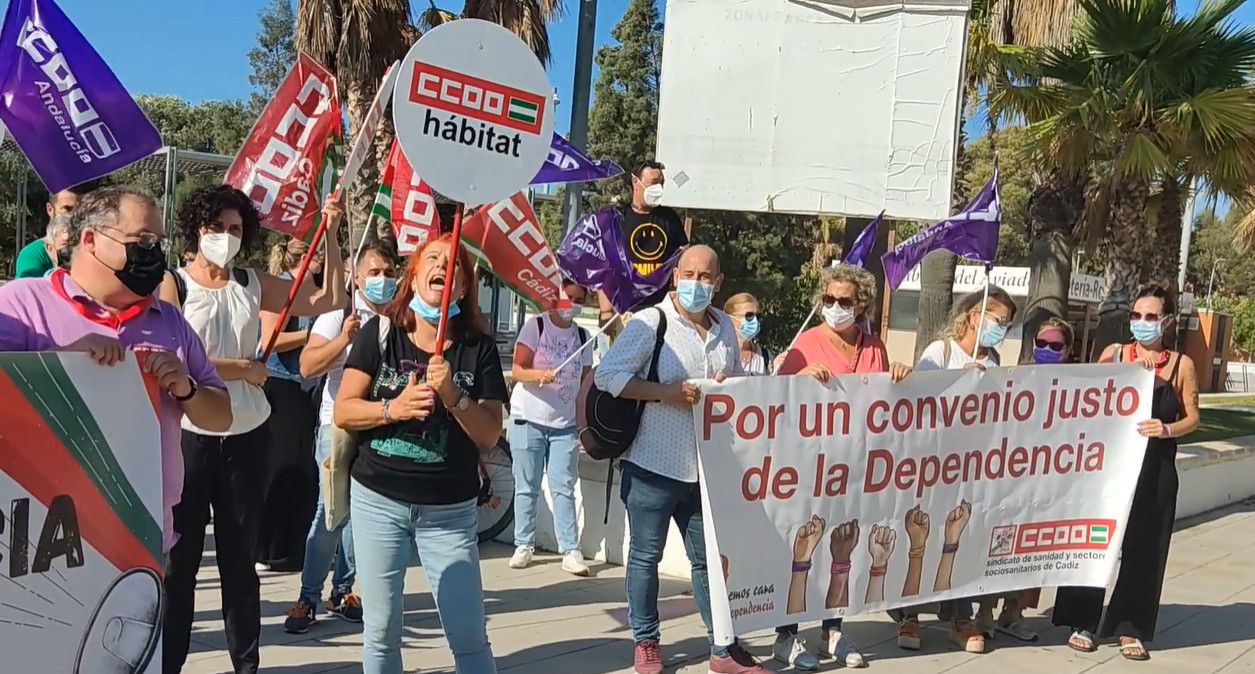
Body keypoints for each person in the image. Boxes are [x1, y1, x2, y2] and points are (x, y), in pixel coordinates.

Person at [159, 185, 347, 674]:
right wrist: (242, 368)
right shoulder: (173, 284)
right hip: (190, 435)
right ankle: (169, 663)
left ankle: (247, 665)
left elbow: (330, 297)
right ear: (196, 231)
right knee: (180, 566)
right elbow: (175, 360)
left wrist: (331, 232)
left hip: (248, 436)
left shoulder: (252, 282)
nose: (225, 236)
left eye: (235, 229)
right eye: (215, 227)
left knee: (239, 563)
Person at [0, 186, 232, 554]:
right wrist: (61, 362)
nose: (152, 253)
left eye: (157, 242)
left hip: (144, 540)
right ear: (90, 239)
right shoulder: (21, 305)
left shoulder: (168, 320)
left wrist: (186, 388)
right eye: (141, 239)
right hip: (37, 548)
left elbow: (221, 416)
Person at [335, 234, 505, 674]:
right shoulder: (381, 332)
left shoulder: (478, 348)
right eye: (433, 259)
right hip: (378, 502)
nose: (443, 269)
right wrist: (393, 408)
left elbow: (489, 434)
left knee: (468, 635)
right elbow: (344, 410)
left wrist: (453, 395)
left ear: (464, 287)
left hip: (449, 513)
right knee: (382, 631)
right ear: (413, 276)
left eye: (455, 266)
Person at [595, 245, 768, 674]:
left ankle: (722, 648)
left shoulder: (726, 327)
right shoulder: (651, 322)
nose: (696, 282)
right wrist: (666, 393)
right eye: (688, 273)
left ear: (719, 282)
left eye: (705, 276)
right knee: (644, 557)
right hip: (654, 463)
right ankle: (646, 640)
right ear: (674, 277)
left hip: (707, 468)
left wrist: (727, 386)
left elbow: (740, 384)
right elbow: (607, 375)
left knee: (709, 562)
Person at [772, 265, 912, 670]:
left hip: (856, 468)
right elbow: (774, 399)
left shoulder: (874, 347)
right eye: (828, 300)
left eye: (843, 301)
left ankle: (832, 631)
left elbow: (885, 399)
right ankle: (787, 635)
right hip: (808, 466)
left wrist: (900, 375)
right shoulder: (808, 342)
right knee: (802, 546)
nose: (834, 307)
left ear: (862, 304)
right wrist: (798, 376)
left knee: (843, 547)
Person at [1052, 285, 1200, 662]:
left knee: (1145, 547)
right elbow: (1091, 396)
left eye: (1150, 316)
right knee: (1097, 538)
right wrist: (1128, 371)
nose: (1142, 322)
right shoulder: (1114, 354)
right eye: (1136, 315)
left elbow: (1193, 417)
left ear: (1166, 321)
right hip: (1110, 466)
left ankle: (1129, 627)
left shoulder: (1181, 364)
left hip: (1155, 467)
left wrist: (1166, 429)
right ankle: (1081, 620)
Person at [893, 285, 1020, 656]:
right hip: (932, 464)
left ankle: (961, 620)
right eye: (999, 320)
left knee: (965, 538)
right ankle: (910, 613)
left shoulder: (995, 360)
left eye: (1008, 324)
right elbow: (920, 401)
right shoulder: (941, 352)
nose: (1003, 328)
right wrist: (960, 380)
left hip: (974, 468)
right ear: (973, 316)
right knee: (922, 535)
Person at [283, 238, 401, 634]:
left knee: (359, 517)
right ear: (355, 276)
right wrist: (344, 340)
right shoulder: (338, 316)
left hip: (382, 426)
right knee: (330, 512)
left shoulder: (400, 319)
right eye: (374, 273)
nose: (382, 280)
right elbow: (307, 366)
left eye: (389, 273)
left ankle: (345, 590)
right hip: (338, 425)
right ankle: (308, 596)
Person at [507, 279, 594, 576]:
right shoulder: (536, 326)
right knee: (526, 486)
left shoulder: (583, 336)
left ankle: (570, 549)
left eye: (579, 298)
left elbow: (584, 384)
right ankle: (524, 544)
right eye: (568, 296)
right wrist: (537, 376)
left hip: (564, 424)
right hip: (528, 417)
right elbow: (517, 370)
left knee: (564, 487)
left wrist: (582, 424)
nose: (573, 303)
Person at [255, 238, 320, 573]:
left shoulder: (314, 294)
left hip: (306, 388)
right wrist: (312, 337)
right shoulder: (280, 290)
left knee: (303, 468)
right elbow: (269, 340)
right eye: (318, 253)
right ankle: (269, 547)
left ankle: (294, 545)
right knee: (281, 465)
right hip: (279, 384)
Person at [597, 160, 689, 336]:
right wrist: (606, 311)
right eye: (653, 183)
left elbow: (684, 261)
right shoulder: (617, 219)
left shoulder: (670, 219)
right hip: (624, 313)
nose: (659, 188)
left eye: (661, 183)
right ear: (635, 182)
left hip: (660, 313)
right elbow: (604, 267)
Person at [15, 186, 83, 278]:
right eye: (67, 209)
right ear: (50, 209)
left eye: (78, 210)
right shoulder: (32, 255)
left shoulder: (85, 251)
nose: (73, 215)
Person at [723, 293, 773, 375]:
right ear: (730, 318)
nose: (755, 321)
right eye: (749, 316)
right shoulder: (720, 354)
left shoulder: (765, 357)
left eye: (757, 316)